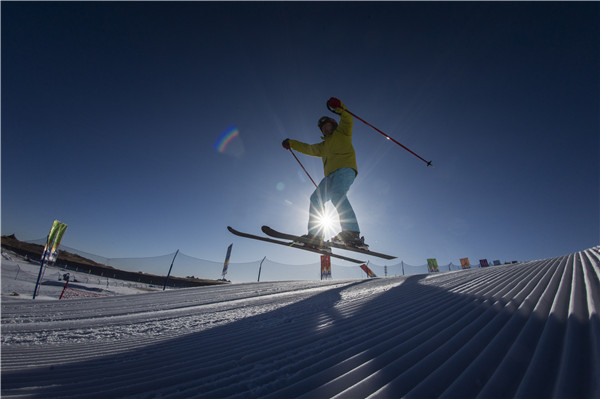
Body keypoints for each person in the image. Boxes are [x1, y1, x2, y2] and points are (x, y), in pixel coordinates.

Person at [282, 97, 368, 250]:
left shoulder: (343, 133)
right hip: (329, 177)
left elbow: (348, 118)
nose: (325, 129)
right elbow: (308, 148)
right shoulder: (322, 146)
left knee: (337, 194)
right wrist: (292, 144)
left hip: (345, 170)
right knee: (315, 198)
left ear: (333, 125)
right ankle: (316, 237)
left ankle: (352, 233)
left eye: (327, 126)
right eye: (323, 128)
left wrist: (339, 107)